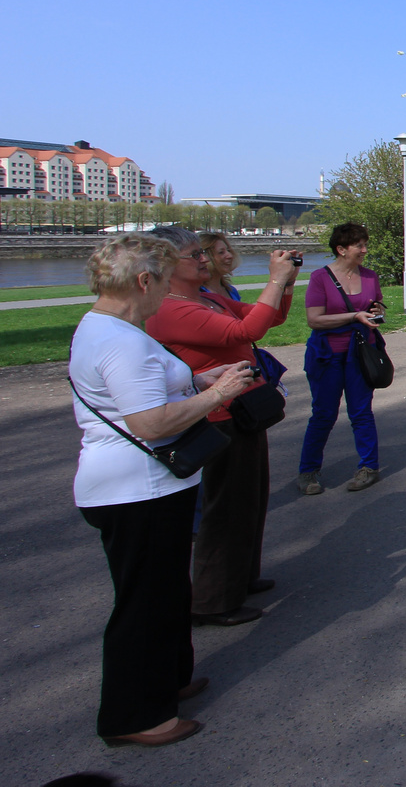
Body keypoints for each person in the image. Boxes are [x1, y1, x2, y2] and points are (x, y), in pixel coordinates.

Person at [69, 233, 254, 746]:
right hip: (135, 489)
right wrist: (216, 394)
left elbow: (148, 389)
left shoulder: (110, 327)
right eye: (162, 282)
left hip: (145, 487)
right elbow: (150, 421)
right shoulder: (121, 339)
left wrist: (196, 382)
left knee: (167, 591)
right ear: (144, 280)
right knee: (144, 604)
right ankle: (136, 716)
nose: (165, 295)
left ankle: (169, 678)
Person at [146, 226, 297, 626]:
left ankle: (240, 578)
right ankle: (213, 600)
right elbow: (246, 331)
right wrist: (275, 280)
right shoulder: (171, 308)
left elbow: (271, 316)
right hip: (217, 416)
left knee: (251, 498)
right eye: (194, 255)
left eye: (202, 253)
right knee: (225, 509)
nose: (204, 260)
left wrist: (285, 284)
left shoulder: (207, 298)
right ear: (164, 264)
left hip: (242, 409)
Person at [298, 222, 387, 495]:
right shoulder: (320, 278)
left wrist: (377, 310)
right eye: (359, 245)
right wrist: (354, 316)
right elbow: (315, 320)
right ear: (341, 249)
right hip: (328, 355)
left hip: (360, 354)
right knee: (323, 414)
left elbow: (379, 306)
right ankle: (308, 471)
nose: (364, 250)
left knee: (361, 412)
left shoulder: (370, 276)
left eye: (365, 244)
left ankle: (368, 467)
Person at [198, 231, 242, 301]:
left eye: (228, 250)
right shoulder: (198, 294)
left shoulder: (231, 291)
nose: (230, 256)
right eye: (221, 252)